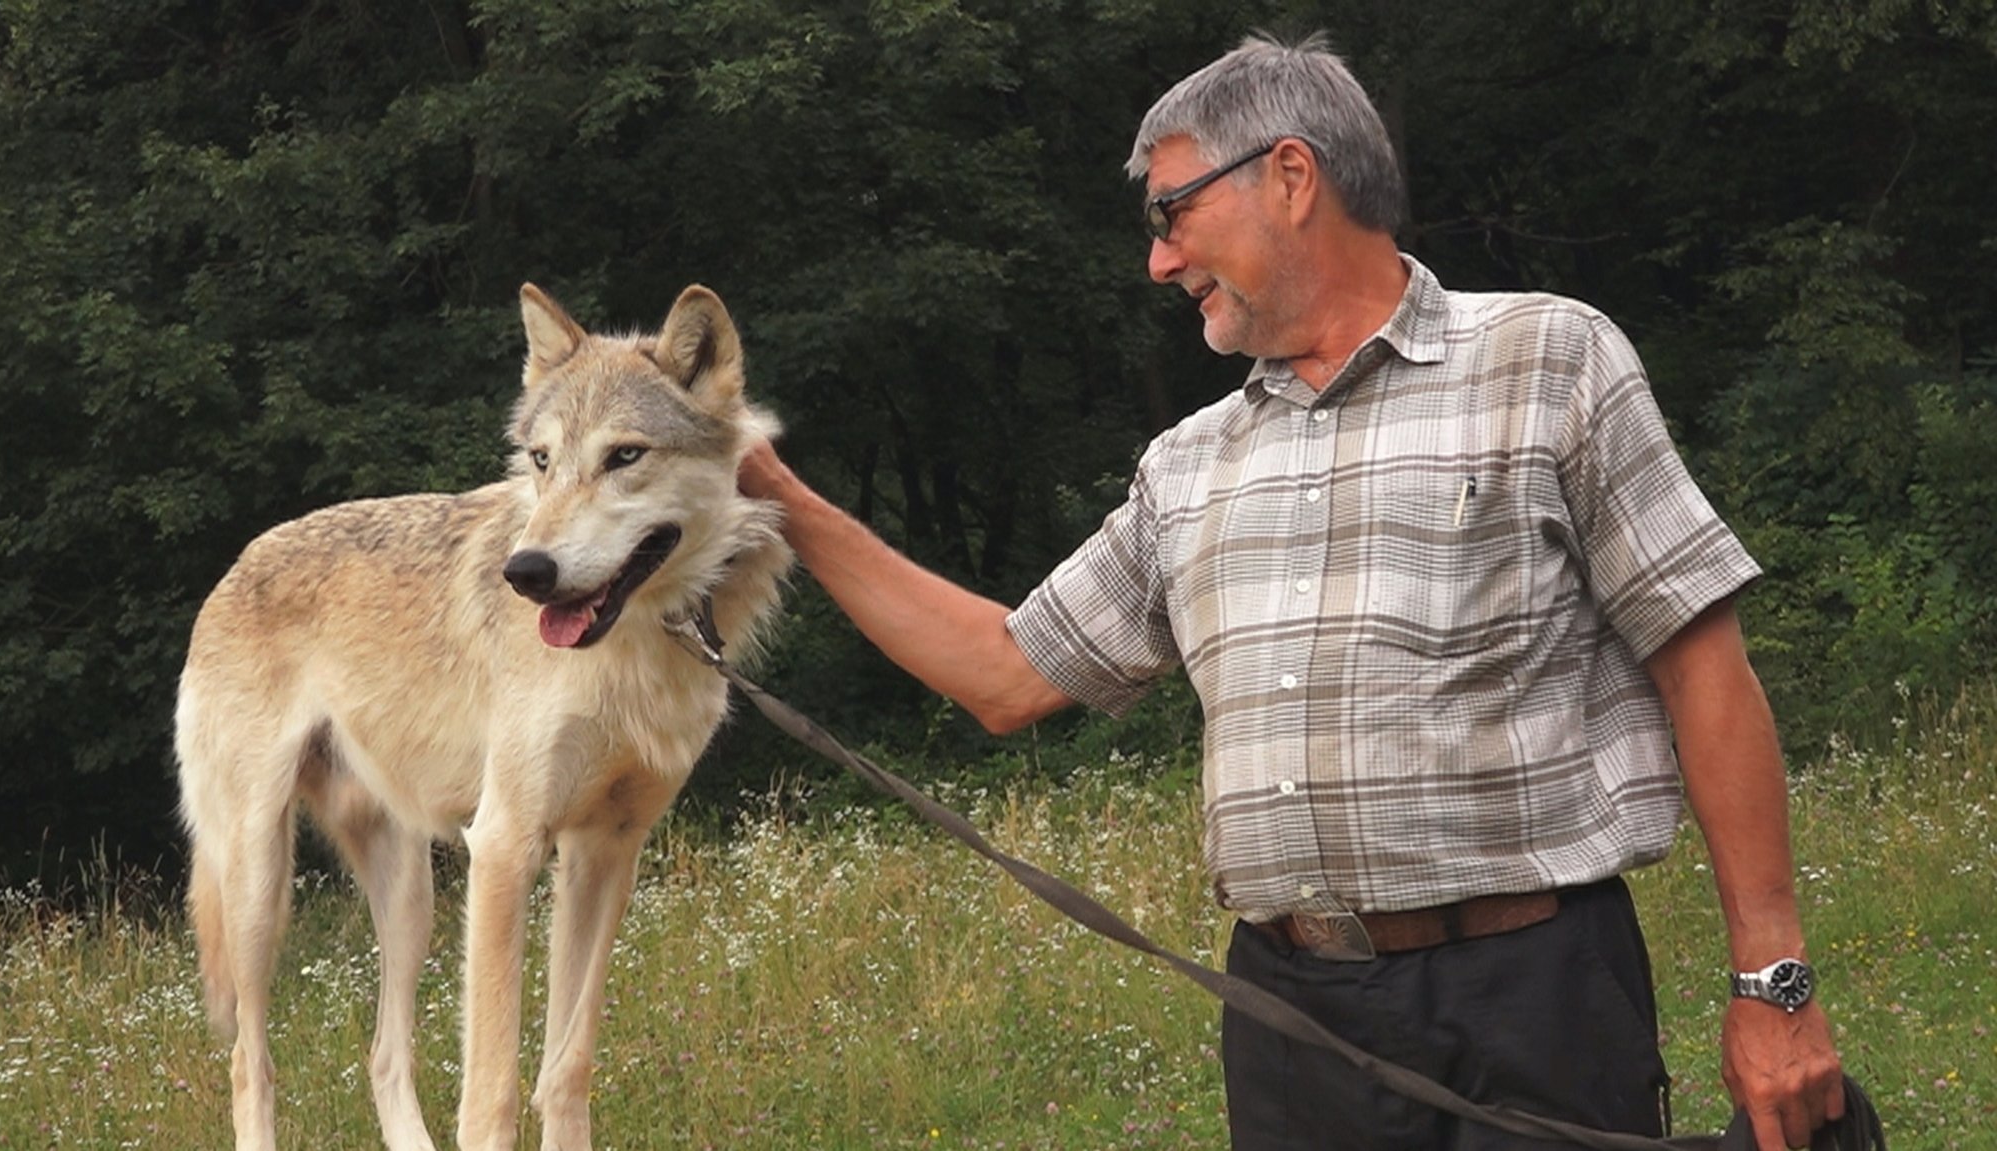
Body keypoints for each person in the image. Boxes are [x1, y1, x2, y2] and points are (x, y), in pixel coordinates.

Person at [738, 32, 1845, 1151]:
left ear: (1290, 174)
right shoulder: (1186, 464)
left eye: (1171, 213)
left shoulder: (1549, 360)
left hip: (1532, 996)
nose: (1157, 261)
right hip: (1289, 1017)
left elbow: (1703, 669)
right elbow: (1004, 672)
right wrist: (779, 497)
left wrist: (1774, 981)